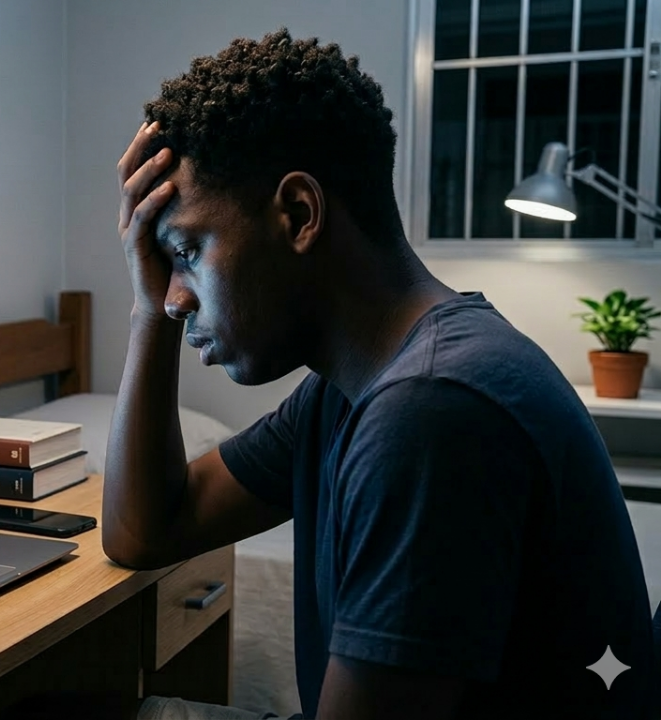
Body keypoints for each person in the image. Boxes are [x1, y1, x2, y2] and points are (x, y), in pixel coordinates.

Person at [102, 30, 654, 720]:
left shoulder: (430, 409)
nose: (174, 298)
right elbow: (147, 533)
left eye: (186, 252)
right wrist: (145, 308)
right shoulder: (354, 388)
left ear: (298, 214)